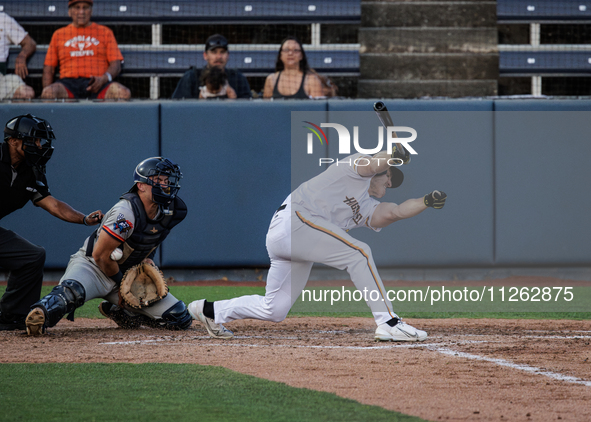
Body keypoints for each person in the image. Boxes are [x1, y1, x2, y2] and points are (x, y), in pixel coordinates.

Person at [189, 150, 447, 341]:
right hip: (295, 222)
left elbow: (397, 212)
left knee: (275, 309)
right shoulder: (352, 168)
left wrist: (425, 201)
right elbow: (371, 163)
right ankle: (388, 321)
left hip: (292, 238)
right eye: (390, 177)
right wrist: (392, 156)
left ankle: (210, 310)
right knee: (359, 253)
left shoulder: (367, 206)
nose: (390, 183)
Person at [25, 156, 192, 336]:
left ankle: (119, 311)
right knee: (70, 293)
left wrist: (148, 258)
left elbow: (153, 236)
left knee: (178, 317)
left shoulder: (174, 210)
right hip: (94, 268)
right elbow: (101, 255)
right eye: (158, 180)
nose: (165, 185)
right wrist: (123, 286)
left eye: (166, 181)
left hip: (128, 272)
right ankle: (41, 313)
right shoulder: (125, 213)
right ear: (141, 185)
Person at [0, 114, 103, 331]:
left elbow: (53, 205)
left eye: (40, 141)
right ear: (13, 141)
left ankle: (12, 316)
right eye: (34, 140)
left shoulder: (31, 171)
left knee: (32, 256)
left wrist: (83, 219)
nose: (39, 145)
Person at [40, 0, 130, 100]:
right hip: (69, 84)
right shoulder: (59, 34)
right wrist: (46, 92)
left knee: (123, 93)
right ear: (69, 12)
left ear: (91, 11)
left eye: (85, 7)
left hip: (98, 82)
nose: (81, 12)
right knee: (48, 93)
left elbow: (116, 65)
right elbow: (49, 69)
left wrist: (104, 79)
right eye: (77, 7)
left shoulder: (105, 32)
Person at [172, 34, 251, 99]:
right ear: (205, 55)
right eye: (214, 52)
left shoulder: (238, 78)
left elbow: (247, 110)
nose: (219, 56)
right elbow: (178, 108)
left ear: (228, 55)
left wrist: (234, 99)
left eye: (222, 52)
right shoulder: (191, 77)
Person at [0, 12, 36, 99]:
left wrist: (22, 56)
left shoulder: (3, 19)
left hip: (1, 80)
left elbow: (30, 43)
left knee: (26, 93)